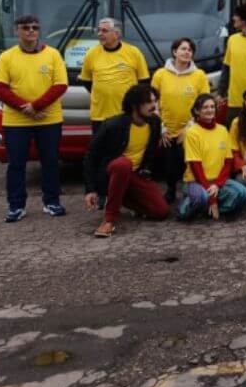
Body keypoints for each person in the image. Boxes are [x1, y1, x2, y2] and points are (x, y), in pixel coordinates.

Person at [0, 15, 69, 222]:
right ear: (16, 31)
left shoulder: (53, 55)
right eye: (25, 28)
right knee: (16, 164)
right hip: (16, 121)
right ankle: (16, 206)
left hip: (49, 119)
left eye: (35, 27)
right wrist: (25, 109)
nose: (31, 31)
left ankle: (52, 202)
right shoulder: (7, 57)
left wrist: (35, 106)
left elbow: (60, 85)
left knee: (51, 162)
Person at [84, 85, 170, 236]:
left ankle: (119, 196)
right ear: (135, 105)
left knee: (161, 211)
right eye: (148, 102)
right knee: (123, 164)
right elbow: (91, 156)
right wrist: (90, 189)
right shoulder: (113, 125)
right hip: (113, 172)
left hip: (136, 175)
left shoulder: (154, 122)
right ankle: (109, 221)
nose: (153, 106)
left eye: (155, 101)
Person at [150, 38, 210, 202]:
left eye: (190, 50)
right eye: (183, 49)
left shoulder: (199, 75)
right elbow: (153, 103)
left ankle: (191, 192)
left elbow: (204, 103)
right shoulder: (160, 74)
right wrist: (161, 128)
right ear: (174, 52)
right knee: (169, 163)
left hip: (190, 129)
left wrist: (190, 127)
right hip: (166, 130)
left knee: (189, 163)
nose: (186, 52)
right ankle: (170, 190)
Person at [178, 93, 246, 220]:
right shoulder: (192, 133)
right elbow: (196, 166)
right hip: (196, 181)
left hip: (218, 181)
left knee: (243, 194)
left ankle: (209, 210)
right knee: (202, 198)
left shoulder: (222, 130)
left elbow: (228, 162)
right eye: (205, 107)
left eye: (212, 107)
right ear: (197, 111)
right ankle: (186, 208)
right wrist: (212, 200)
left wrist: (217, 184)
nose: (210, 110)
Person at [80, 18, 149, 135]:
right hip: (99, 116)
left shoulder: (134, 52)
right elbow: (86, 81)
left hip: (126, 115)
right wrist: (103, 93)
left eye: (104, 31)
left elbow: (144, 82)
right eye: (99, 30)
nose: (100, 34)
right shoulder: (91, 54)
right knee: (101, 151)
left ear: (116, 34)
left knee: (125, 151)